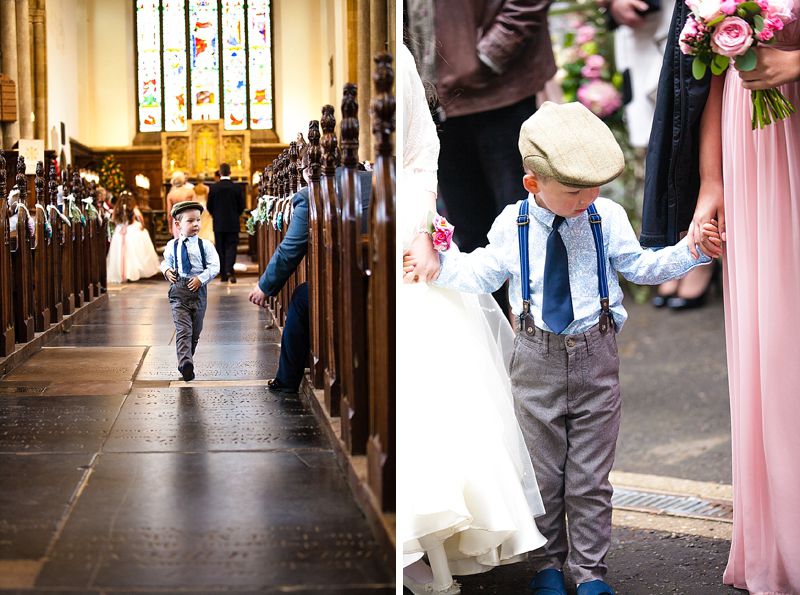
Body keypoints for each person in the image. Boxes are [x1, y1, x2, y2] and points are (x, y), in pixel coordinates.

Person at [407, 101, 717, 595]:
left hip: (596, 356)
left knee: (592, 478)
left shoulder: (605, 216)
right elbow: (482, 273)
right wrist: (437, 262)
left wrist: (692, 251)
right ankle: (548, 566)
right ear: (534, 183)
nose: (588, 197)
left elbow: (639, 266)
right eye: (575, 190)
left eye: (595, 186)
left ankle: (590, 571)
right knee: (545, 475)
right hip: (535, 358)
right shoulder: (514, 224)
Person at [643, 2, 800, 592]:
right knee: (773, 330)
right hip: (750, 142)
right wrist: (712, 180)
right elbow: (706, 74)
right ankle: (782, 536)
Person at [398, 43, 547, 595]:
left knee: (434, 388)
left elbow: (418, 154)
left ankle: (433, 538)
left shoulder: (397, 54)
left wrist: (419, 231)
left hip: (407, 240)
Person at [406, 0, 557, 314]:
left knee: (526, 226)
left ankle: (542, 341)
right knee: (470, 235)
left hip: (500, 90)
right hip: (434, 100)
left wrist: (487, 56)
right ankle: (498, 343)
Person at [249, 161, 373, 395]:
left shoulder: (310, 195)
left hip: (348, 285)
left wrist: (264, 287)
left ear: (307, 171)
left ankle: (287, 380)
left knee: (303, 296)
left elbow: (290, 249)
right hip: (387, 277)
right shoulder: (378, 179)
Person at [160, 201, 220, 382]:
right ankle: (186, 364)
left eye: (198, 220)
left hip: (198, 292)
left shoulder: (206, 245)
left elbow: (214, 266)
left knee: (195, 331)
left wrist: (200, 278)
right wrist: (167, 270)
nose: (196, 224)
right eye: (190, 221)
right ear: (178, 225)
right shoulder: (172, 245)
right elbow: (166, 262)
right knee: (183, 330)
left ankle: (188, 358)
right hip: (178, 290)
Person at [106, 191, 161, 284]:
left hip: (120, 231)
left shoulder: (117, 208)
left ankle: (121, 273)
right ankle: (131, 272)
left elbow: (113, 219)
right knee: (133, 252)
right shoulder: (134, 208)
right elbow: (141, 221)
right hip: (132, 231)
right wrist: (141, 226)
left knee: (119, 253)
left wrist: (120, 224)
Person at [207, 163, 244, 282]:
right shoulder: (236, 187)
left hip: (218, 223)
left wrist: (216, 216)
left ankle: (223, 273)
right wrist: (235, 214)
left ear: (220, 173)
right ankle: (229, 269)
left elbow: (209, 206)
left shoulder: (213, 188)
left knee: (220, 248)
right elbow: (241, 206)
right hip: (233, 222)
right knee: (232, 247)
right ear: (230, 173)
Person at [166, 171, 196, 239]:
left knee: (179, 244)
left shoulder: (170, 195)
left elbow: (169, 214)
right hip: (189, 220)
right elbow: (195, 209)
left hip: (177, 222)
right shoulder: (190, 192)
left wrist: (170, 227)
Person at [192, 173, 215, 243]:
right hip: (205, 205)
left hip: (197, 205)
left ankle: (199, 235)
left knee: (199, 221)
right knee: (206, 222)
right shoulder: (206, 188)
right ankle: (206, 237)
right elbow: (207, 198)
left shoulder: (194, 188)